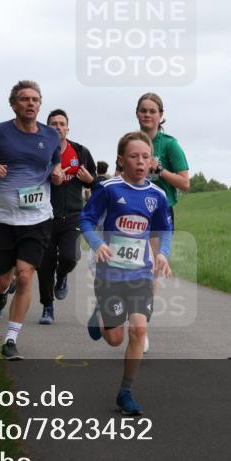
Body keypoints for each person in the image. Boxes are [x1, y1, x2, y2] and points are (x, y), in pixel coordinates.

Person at [0, 80, 63, 361]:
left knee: (24, 276)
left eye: (35, 99)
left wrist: (56, 173)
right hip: (0, 218)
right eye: (25, 99)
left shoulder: (50, 136)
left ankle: (11, 338)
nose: (31, 103)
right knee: (1, 283)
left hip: (36, 218)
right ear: (14, 104)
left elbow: (54, 162)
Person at [80, 131, 172, 416]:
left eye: (145, 157)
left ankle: (126, 391)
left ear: (151, 161)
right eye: (134, 156)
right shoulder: (109, 189)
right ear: (122, 160)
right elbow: (86, 219)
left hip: (140, 273)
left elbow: (164, 229)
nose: (140, 162)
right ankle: (100, 315)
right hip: (109, 274)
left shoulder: (156, 196)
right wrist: (97, 244)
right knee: (115, 339)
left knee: (140, 329)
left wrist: (162, 254)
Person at [136, 92, 189, 354]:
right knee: (129, 265)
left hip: (160, 212)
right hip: (132, 213)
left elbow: (185, 183)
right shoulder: (131, 142)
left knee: (151, 269)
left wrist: (159, 170)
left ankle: (141, 324)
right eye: (143, 110)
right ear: (137, 113)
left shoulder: (169, 145)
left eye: (152, 111)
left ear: (160, 115)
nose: (147, 115)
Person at [37, 109, 96, 326]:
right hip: (43, 216)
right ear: (47, 128)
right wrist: (49, 177)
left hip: (72, 215)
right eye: (53, 124)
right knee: (45, 263)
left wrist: (90, 180)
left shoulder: (80, 152)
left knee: (70, 257)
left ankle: (62, 277)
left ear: (68, 128)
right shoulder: (40, 151)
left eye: (62, 124)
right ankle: (47, 306)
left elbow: (96, 183)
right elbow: (28, 178)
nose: (58, 127)